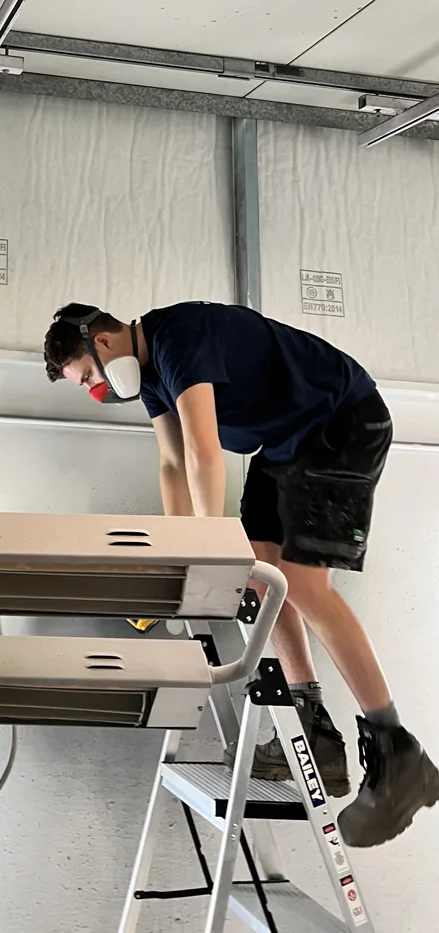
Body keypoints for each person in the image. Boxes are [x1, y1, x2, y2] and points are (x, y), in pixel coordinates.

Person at [43, 299, 439, 849]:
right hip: (287, 444)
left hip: (342, 420)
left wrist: (207, 547)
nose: (96, 390)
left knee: (301, 584)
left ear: (102, 344)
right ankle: (314, 730)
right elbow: (174, 462)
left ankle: (400, 755)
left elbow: (206, 452)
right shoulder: (154, 379)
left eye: (87, 376)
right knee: (258, 574)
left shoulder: (178, 337)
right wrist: (180, 550)